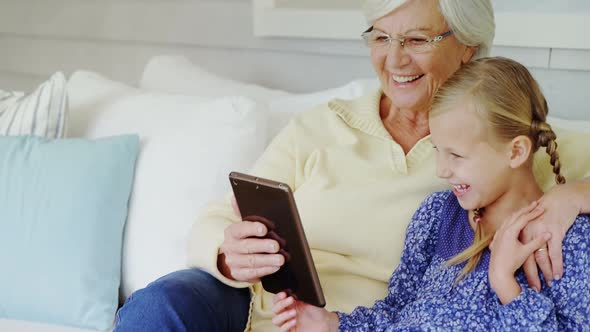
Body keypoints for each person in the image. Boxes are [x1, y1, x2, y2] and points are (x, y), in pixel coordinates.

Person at [114, 1, 590, 331]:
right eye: (381, 36)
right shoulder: (321, 126)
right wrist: (227, 253)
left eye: (416, 38)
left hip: (351, 320)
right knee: (157, 306)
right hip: (251, 306)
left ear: (467, 44)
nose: (395, 57)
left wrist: (576, 194)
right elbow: (220, 214)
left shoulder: (505, 137)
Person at [272, 56, 590, 331]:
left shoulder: (567, 241)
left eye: (456, 156)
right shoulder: (437, 216)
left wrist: (506, 285)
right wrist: (333, 324)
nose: (441, 169)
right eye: (438, 151)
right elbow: (398, 310)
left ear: (516, 151)